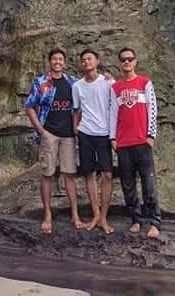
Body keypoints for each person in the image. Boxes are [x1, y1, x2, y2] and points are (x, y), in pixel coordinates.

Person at [24, 47, 83, 233]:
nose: (57, 62)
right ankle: (47, 214)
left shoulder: (73, 82)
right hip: (49, 133)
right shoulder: (41, 82)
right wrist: (41, 130)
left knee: (70, 175)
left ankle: (75, 214)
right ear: (50, 62)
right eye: (54, 59)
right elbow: (29, 106)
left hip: (68, 136)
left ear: (64, 62)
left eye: (60, 59)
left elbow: (80, 105)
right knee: (47, 174)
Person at [109, 46, 161, 239]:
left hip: (142, 141)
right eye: (123, 59)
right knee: (128, 185)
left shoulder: (145, 83)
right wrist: (112, 138)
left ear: (135, 61)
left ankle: (155, 222)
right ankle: (136, 220)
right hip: (123, 143)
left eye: (130, 59)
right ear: (119, 63)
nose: (127, 62)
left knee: (148, 183)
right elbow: (113, 113)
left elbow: (152, 110)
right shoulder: (116, 88)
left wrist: (150, 136)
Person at [72, 49, 114, 234]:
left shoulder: (107, 82)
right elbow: (76, 110)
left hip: (104, 133)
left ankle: (104, 217)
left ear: (97, 61)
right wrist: (75, 129)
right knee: (89, 174)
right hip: (85, 132)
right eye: (83, 60)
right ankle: (96, 214)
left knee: (107, 175)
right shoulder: (77, 86)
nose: (86, 62)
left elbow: (116, 106)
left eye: (89, 59)